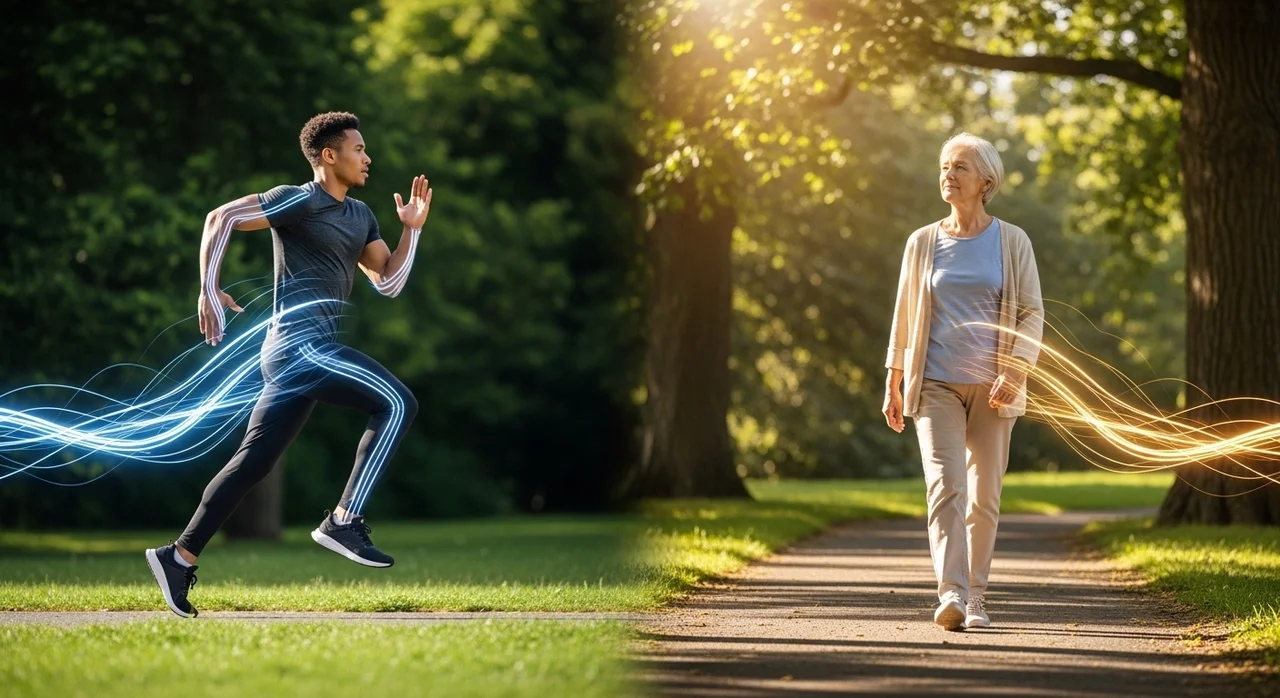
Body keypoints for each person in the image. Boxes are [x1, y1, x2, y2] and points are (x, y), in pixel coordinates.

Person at [144, 111, 431, 618]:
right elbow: (222, 218)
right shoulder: (302, 200)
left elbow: (388, 281)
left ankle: (178, 556)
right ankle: (344, 520)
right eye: (358, 149)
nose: (368, 158)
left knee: (252, 462)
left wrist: (412, 231)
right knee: (396, 401)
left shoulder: (361, 215)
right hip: (297, 348)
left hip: (303, 355)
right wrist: (208, 288)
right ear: (328, 155)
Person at [882, 132, 1044, 631]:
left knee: (983, 497)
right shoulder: (923, 241)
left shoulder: (1012, 240)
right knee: (945, 487)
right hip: (935, 384)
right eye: (943, 167)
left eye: (959, 168)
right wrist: (893, 377)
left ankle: (976, 596)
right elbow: (905, 313)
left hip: (996, 386)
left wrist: (1015, 368)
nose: (947, 175)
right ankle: (950, 593)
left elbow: (1031, 311)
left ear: (985, 182)